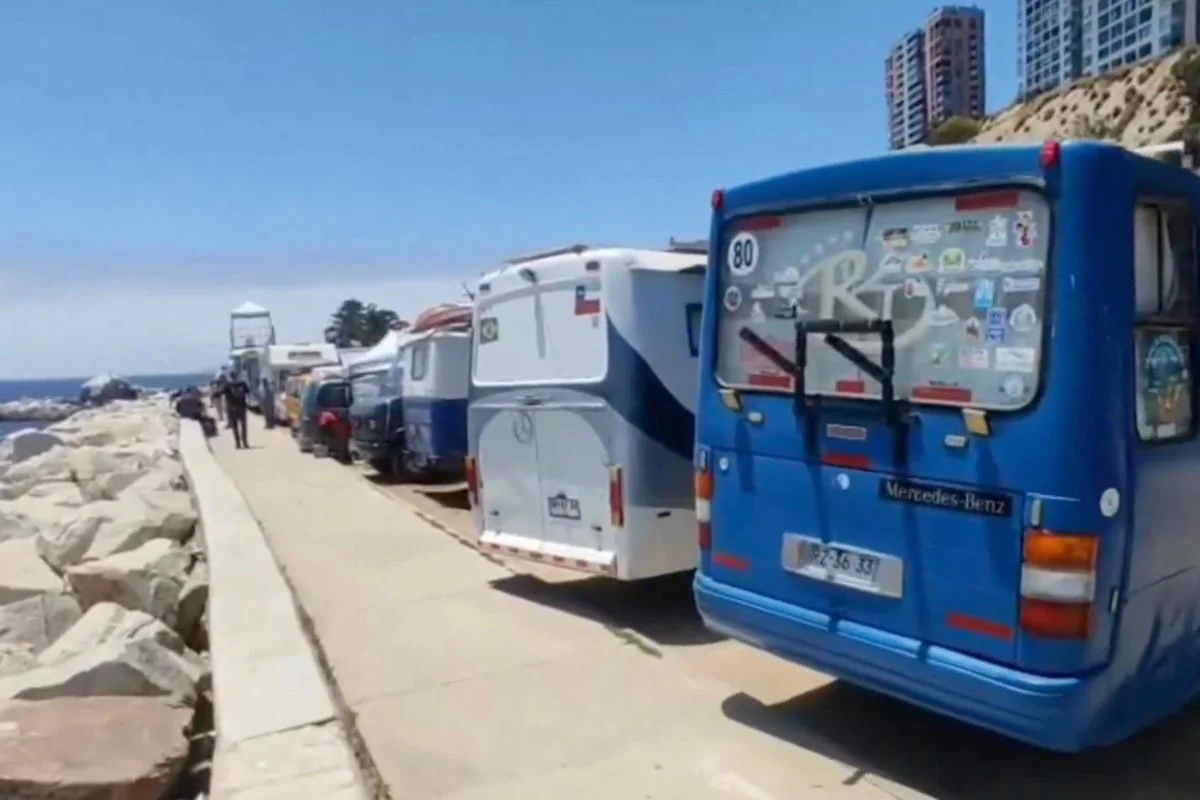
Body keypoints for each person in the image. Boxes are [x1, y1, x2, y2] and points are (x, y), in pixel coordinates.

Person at [222, 372, 253, 449]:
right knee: (243, 426)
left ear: (230, 377)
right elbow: (248, 393)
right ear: (237, 376)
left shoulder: (227, 385)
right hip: (242, 407)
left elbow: (221, 394)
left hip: (231, 408)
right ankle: (245, 443)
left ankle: (237, 444)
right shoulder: (242, 384)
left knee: (235, 427)